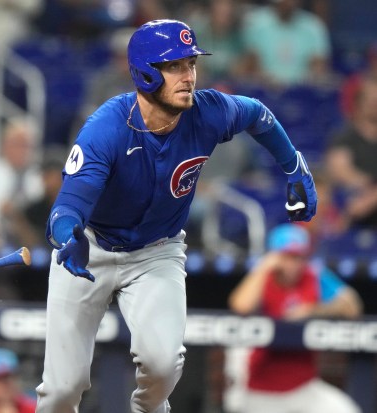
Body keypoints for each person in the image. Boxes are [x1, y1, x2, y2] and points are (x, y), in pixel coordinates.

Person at [35, 19, 318, 413]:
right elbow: (68, 205)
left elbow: (258, 114)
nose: (189, 76)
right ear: (145, 73)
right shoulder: (106, 129)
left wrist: (293, 167)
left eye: (191, 64)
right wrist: (68, 235)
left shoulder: (210, 112)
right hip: (90, 251)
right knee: (62, 390)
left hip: (157, 251)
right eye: (175, 67)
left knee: (163, 365)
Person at [227, 223, 362, 413]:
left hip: (304, 387)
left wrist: (313, 310)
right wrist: (265, 266)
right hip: (262, 390)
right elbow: (240, 306)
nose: (294, 263)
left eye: (299, 257)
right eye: (288, 256)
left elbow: (352, 306)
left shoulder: (312, 274)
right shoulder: (264, 276)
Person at [326, 76, 377, 228]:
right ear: (359, 103)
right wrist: (367, 185)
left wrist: (372, 197)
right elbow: (340, 171)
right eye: (371, 100)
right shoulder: (345, 137)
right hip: (353, 207)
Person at [240, 0, 331, 85]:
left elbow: (318, 67)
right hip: (264, 88)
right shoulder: (255, 23)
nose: (288, 3)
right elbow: (250, 65)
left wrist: (303, 82)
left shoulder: (313, 26)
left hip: (302, 90)